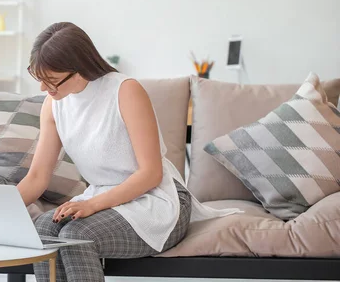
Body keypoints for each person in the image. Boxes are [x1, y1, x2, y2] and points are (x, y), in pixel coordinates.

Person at [17, 22, 238, 282]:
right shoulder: (53, 105)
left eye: (51, 80)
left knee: (76, 236)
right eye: (38, 77)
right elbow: (37, 178)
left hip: (157, 200)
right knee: (43, 229)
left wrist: (91, 205)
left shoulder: (124, 91)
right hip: (102, 198)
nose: (43, 88)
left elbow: (151, 174)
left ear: (78, 71)